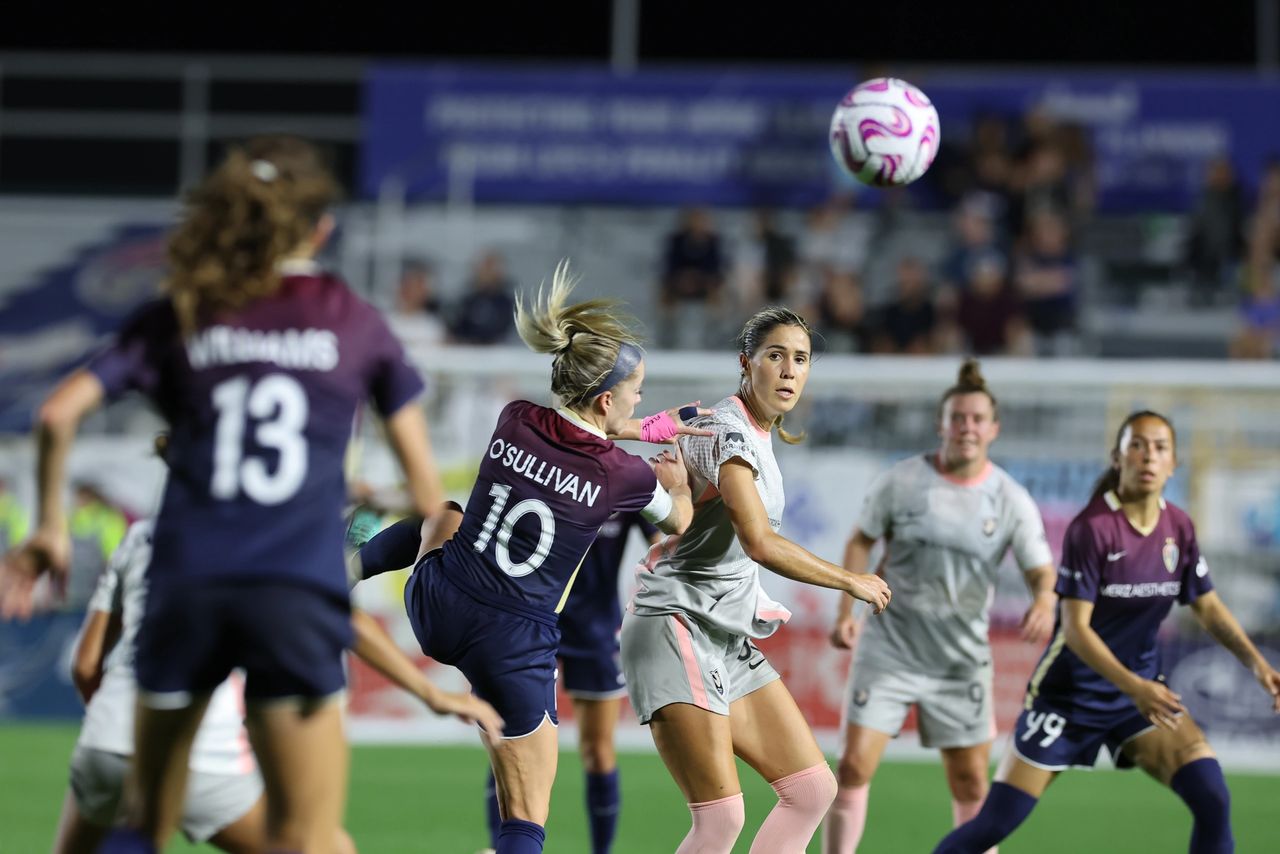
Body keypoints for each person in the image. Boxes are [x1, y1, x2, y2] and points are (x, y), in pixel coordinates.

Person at [0, 135, 445, 853]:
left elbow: (57, 412)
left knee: (145, 819)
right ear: (320, 228)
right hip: (292, 593)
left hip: (187, 586)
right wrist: (392, 508)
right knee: (308, 839)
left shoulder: (182, 309)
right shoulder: (352, 319)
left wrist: (49, 526)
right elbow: (428, 494)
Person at [353, 261, 703, 854]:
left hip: (437, 604)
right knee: (527, 817)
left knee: (443, 515)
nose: (642, 401)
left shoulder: (513, 417)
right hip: (514, 641)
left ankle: (346, 570)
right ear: (607, 399)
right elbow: (679, 523)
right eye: (636, 392)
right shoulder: (624, 476)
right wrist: (679, 482)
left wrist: (627, 427)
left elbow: (579, 432)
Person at [54, 506, 500, 854]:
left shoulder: (141, 536)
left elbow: (85, 666)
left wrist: (117, 727)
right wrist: (431, 693)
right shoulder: (256, 541)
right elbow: (341, 621)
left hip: (105, 739)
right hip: (199, 756)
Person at [934, 410, 1280, 854]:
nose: (1148, 456)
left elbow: (1207, 605)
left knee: (1212, 795)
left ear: (1174, 462)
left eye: (1159, 448)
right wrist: (1137, 687)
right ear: (1117, 457)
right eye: (1137, 445)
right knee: (993, 827)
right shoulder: (1093, 528)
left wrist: (1258, 665)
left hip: (1136, 700)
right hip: (1068, 698)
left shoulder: (1179, 526)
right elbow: (1076, 631)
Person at [620, 307, 893, 854]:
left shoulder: (757, 433)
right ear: (746, 364)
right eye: (775, 356)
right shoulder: (727, 432)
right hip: (678, 625)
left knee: (812, 789)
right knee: (720, 819)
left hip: (721, 633)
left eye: (801, 359)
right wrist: (850, 581)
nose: (789, 371)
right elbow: (759, 543)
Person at [822, 359, 1057, 854]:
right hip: (890, 646)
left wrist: (1044, 598)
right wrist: (847, 611)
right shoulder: (902, 481)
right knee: (852, 767)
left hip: (960, 659)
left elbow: (1040, 568)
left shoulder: (1009, 498)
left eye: (976, 419)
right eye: (957, 417)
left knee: (972, 783)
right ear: (941, 424)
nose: (966, 427)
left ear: (993, 428)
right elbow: (860, 541)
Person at [480, 510, 660, 854]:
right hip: (531, 619)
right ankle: (496, 847)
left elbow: (664, 542)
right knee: (508, 743)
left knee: (597, 749)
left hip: (595, 630)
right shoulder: (543, 467)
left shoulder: (626, 480)